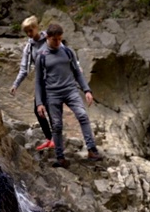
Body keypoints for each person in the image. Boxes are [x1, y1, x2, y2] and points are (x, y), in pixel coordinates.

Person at [34, 23, 102, 168]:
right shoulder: (41, 55)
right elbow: (38, 81)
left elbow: (77, 72)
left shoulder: (68, 51)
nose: (58, 43)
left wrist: (87, 90)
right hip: (52, 94)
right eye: (55, 40)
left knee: (83, 115)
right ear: (48, 37)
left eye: (60, 39)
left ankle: (92, 150)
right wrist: (40, 102)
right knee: (57, 125)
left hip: (71, 90)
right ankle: (60, 158)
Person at [10, 16, 54, 151]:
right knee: (38, 110)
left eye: (31, 30)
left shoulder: (50, 39)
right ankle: (50, 138)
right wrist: (15, 84)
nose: (29, 34)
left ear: (36, 27)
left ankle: (55, 139)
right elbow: (24, 69)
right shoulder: (29, 48)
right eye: (26, 32)